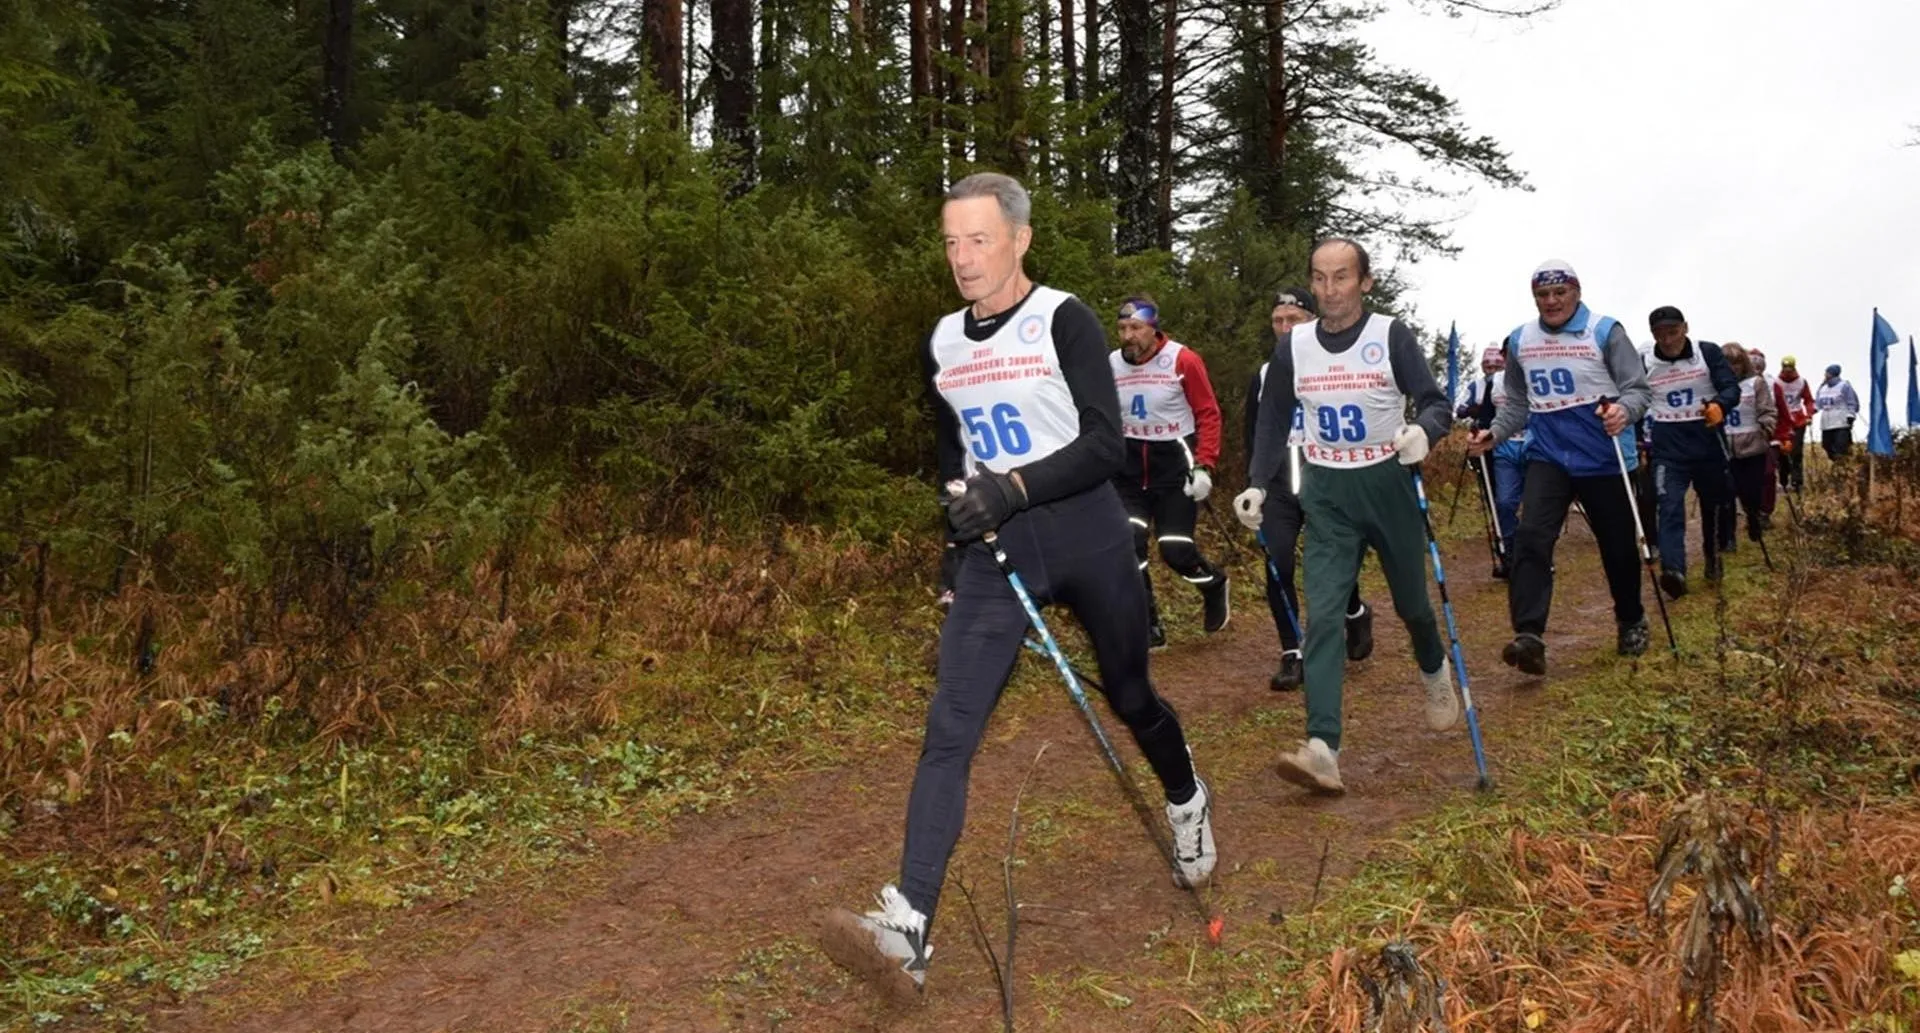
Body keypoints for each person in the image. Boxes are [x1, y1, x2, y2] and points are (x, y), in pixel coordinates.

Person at [823, 173, 1217, 1000]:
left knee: (1131, 691)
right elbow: (953, 456)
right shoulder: (941, 339)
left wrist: (1014, 488)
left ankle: (1185, 797)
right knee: (950, 726)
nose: (964, 258)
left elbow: (1107, 445)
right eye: (952, 242)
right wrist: (951, 548)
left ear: (1019, 240)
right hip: (996, 552)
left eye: (980, 240)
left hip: (1087, 534)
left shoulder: (1063, 318)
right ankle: (908, 926)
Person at [1235, 238, 1460, 795]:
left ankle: (1434, 670)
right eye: (1320, 278)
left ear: (1364, 282)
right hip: (1326, 489)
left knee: (1412, 604)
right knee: (1325, 613)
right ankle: (1322, 747)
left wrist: (1422, 433)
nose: (1330, 290)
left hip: (1386, 483)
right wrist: (1258, 484)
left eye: (1341, 278)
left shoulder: (1390, 335)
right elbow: (1272, 419)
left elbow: (1436, 403)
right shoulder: (1295, 347)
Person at [1468, 260, 1652, 674]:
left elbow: (1639, 390)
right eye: (1542, 296)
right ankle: (1529, 635)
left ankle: (1631, 618)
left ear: (1576, 291)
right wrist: (1493, 435)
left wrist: (1623, 412)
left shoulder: (1606, 332)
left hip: (1603, 458)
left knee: (1618, 547)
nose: (1551, 302)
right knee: (1531, 537)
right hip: (1548, 455)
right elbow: (1516, 403)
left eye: (1559, 293)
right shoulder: (1520, 340)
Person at [1243, 287, 1375, 692]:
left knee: (1333, 568)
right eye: (1278, 321)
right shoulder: (1265, 375)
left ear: (1311, 321)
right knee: (1277, 563)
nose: (1284, 329)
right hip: (1280, 489)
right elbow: (1255, 435)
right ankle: (1292, 652)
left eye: (1293, 321)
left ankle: (1355, 612)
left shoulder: (1335, 365)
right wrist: (1255, 486)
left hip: (1326, 480)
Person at [1111, 295, 1231, 646]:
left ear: (1153, 328)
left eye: (1136, 328)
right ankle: (1149, 625)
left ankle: (1213, 583)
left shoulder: (1182, 360)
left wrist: (1205, 464)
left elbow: (1208, 413)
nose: (1128, 336)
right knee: (1128, 544)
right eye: (1122, 328)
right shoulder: (1110, 365)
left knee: (1174, 548)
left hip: (1174, 469)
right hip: (1128, 471)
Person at [1641, 306, 1740, 592]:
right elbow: (1634, 396)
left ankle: (1713, 555)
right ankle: (1674, 570)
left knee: (1713, 503)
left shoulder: (1706, 352)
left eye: (1673, 332)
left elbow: (1730, 387)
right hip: (1668, 446)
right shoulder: (1645, 362)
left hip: (1706, 440)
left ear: (1685, 327)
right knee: (1669, 505)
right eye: (1660, 334)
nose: (1668, 340)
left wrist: (1720, 405)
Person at [1464, 344, 1524, 576]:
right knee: (1505, 502)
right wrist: (1479, 432)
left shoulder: (1535, 376)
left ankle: (1538, 556)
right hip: (1504, 449)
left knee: (1537, 507)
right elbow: (1488, 417)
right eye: (1508, 355)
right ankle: (1509, 554)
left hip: (1536, 446)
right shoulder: (1495, 382)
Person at [1719, 344, 1778, 544]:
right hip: (1725, 447)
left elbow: (1767, 410)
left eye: (1736, 363)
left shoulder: (1756, 383)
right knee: (1726, 493)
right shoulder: (1716, 385)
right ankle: (1728, 538)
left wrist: (1767, 427)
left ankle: (1753, 517)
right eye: (1727, 363)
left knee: (1750, 492)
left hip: (1753, 446)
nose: (1732, 368)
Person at [1745, 348, 1795, 520]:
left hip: (1769, 437)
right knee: (1747, 476)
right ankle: (1751, 509)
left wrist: (1784, 437)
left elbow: (1783, 413)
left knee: (1767, 474)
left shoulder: (1774, 385)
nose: (1756, 368)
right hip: (1744, 437)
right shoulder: (1738, 384)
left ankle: (1765, 511)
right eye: (1752, 365)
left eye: (1759, 365)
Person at [1774, 355, 1816, 491]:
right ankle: (1784, 482)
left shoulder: (1801, 382)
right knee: (1782, 452)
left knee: (1796, 452)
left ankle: (1797, 482)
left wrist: (1809, 414)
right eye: (1785, 368)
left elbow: (1809, 400)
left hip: (1797, 421)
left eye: (1790, 368)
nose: (1787, 371)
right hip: (1781, 421)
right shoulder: (1776, 383)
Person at [1815, 364, 1860, 461]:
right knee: (1826, 445)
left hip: (1841, 423)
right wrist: (1811, 412)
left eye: (1827, 373)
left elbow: (1852, 402)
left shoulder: (1844, 386)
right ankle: (1837, 464)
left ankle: (1843, 466)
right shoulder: (1822, 388)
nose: (1825, 375)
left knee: (1841, 448)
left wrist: (1851, 415)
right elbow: (1817, 404)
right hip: (1826, 424)